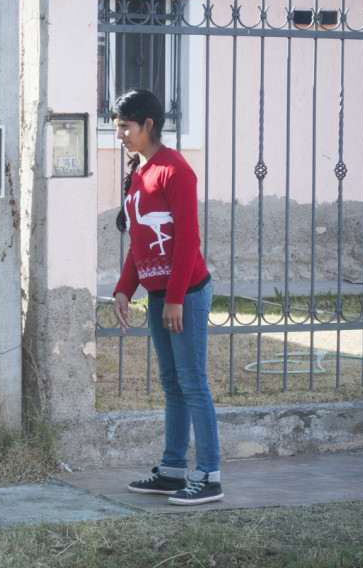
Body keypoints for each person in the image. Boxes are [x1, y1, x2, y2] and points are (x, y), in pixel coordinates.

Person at [110, 89, 222, 505]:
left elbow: (188, 240)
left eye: (125, 125)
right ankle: (174, 470)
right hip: (160, 295)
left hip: (186, 294)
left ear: (148, 126)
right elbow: (140, 243)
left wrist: (175, 298)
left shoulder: (175, 170)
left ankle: (208, 474)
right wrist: (125, 289)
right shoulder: (139, 171)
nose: (118, 132)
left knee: (193, 383)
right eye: (117, 124)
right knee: (172, 384)